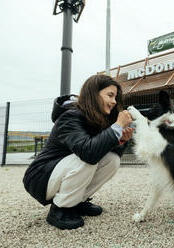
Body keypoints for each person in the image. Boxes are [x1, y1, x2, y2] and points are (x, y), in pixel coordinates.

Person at [23, 74, 133, 230]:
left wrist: (120, 140)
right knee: (88, 159)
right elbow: (88, 153)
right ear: (94, 94)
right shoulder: (71, 116)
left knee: (112, 160)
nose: (114, 101)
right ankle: (60, 210)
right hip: (40, 177)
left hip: (60, 172)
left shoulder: (96, 118)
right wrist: (117, 127)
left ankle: (75, 202)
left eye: (115, 97)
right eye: (110, 95)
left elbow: (103, 154)